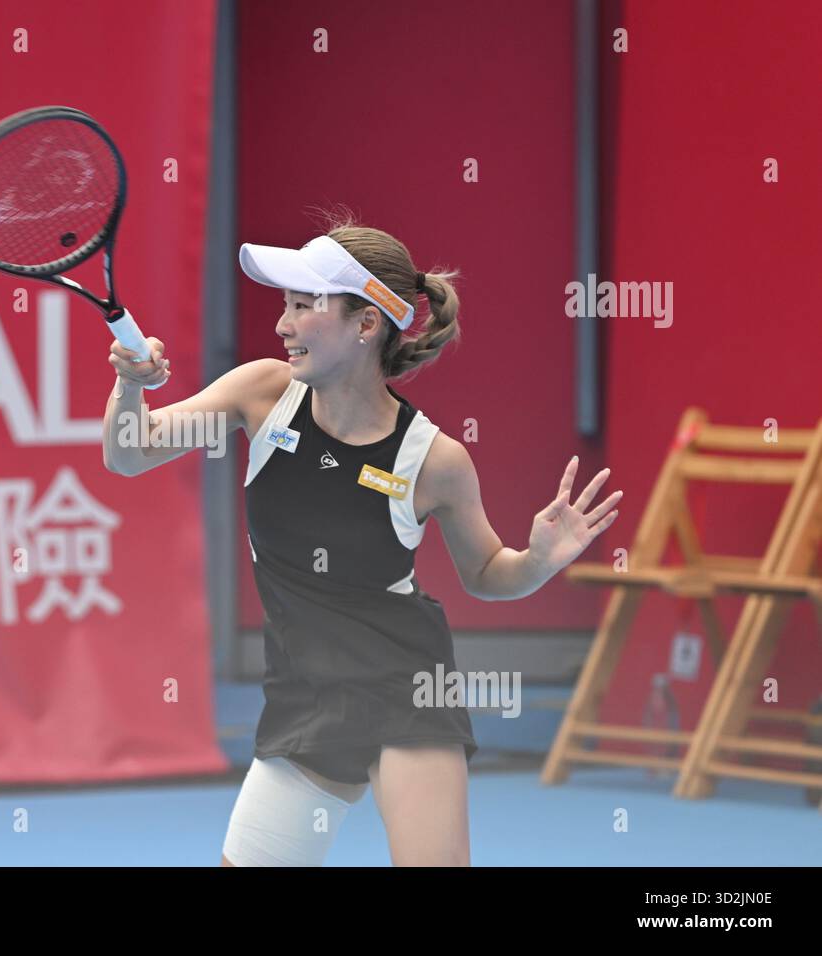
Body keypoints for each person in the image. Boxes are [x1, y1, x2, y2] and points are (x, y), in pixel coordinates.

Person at [101, 218, 621, 866]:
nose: (283, 325)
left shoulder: (434, 460)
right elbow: (130, 452)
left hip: (404, 693)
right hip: (304, 696)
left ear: (366, 324)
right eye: (284, 306)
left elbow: (487, 571)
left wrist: (537, 562)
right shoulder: (262, 395)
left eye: (302, 307)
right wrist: (131, 386)